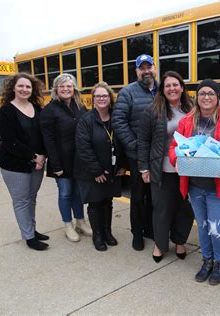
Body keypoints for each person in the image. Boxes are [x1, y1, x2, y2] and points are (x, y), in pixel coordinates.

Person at [169, 79, 220, 285]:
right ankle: (207, 261)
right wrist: (176, 160)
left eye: (210, 93)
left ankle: (219, 263)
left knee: (216, 227)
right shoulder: (187, 121)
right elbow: (174, 147)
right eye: (202, 93)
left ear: (218, 97)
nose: (206, 97)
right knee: (203, 227)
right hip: (195, 186)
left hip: (218, 186)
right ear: (197, 97)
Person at [138, 71, 194, 263]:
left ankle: (179, 241)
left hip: (187, 169)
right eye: (167, 85)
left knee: (184, 209)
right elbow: (143, 141)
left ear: (182, 87)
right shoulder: (153, 110)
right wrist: (144, 168)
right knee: (162, 209)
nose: (172, 88)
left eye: (175, 84)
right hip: (161, 170)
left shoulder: (192, 108)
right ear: (162, 89)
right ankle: (160, 244)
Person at [0, 73, 48, 251]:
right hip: (14, 165)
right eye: (21, 86)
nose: (24, 89)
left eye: (28, 87)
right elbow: (9, 141)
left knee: (31, 198)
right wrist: (34, 157)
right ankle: (29, 237)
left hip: (37, 163)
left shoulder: (37, 108)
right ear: (13, 88)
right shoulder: (6, 111)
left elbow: (43, 135)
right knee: (21, 201)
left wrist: (43, 156)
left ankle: (32, 229)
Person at [112, 54, 158, 251]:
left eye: (149, 67)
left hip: (158, 154)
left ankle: (150, 229)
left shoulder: (161, 90)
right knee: (138, 196)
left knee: (155, 195)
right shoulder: (127, 92)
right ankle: (137, 233)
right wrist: (134, 144)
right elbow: (118, 121)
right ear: (137, 71)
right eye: (142, 68)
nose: (146, 71)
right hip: (137, 155)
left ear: (155, 68)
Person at [40, 73, 92, 242]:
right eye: (62, 86)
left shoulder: (80, 106)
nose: (66, 89)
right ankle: (68, 225)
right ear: (56, 89)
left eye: (69, 86)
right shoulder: (50, 110)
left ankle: (80, 221)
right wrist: (55, 165)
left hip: (78, 160)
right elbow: (48, 140)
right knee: (65, 193)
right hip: (60, 161)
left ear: (74, 88)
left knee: (78, 193)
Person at [75, 82, 125, 251]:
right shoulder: (86, 120)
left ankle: (107, 232)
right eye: (98, 96)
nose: (102, 99)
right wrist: (96, 170)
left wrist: (121, 165)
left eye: (105, 96)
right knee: (95, 203)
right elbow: (83, 147)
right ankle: (97, 236)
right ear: (93, 99)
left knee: (108, 201)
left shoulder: (116, 118)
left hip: (112, 169)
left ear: (110, 98)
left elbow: (122, 142)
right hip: (93, 171)